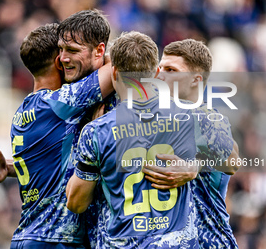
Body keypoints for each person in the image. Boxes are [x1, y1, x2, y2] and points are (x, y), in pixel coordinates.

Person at [67, 31, 206, 248]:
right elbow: (230, 158)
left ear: (114, 73)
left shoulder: (96, 132)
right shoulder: (189, 116)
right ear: (157, 72)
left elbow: (76, 203)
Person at [0, 20, 113, 248]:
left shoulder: (23, 111)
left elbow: (52, 163)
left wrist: (10, 167)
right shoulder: (59, 103)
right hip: (55, 239)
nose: (68, 58)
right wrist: (101, 54)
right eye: (65, 51)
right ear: (59, 61)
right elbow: (116, 69)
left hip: (25, 236)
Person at [142, 39, 239, 248]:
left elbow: (232, 159)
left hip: (209, 242)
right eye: (159, 68)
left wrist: (195, 166)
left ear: (195, 80)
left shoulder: (206, 116)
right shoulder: (156, 115)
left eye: (170, 69)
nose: (159, 75)